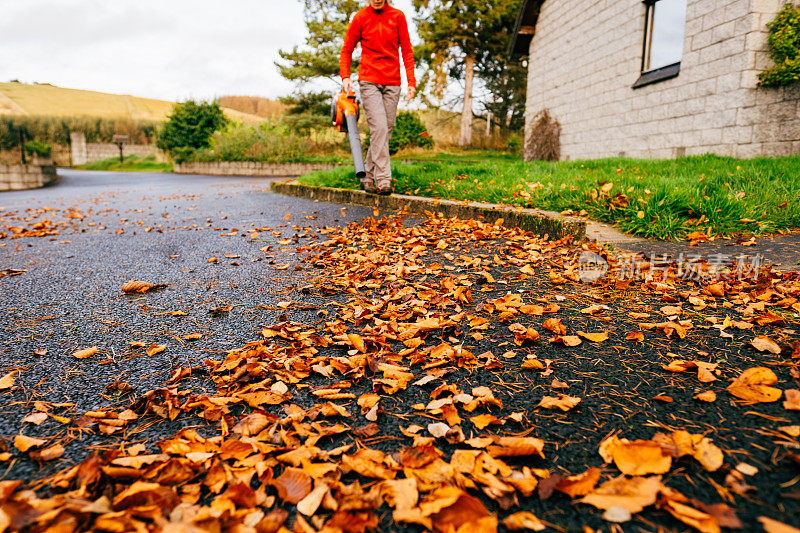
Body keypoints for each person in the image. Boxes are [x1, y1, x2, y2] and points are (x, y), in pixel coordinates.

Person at [340, 0, 416, 195]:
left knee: (385, 130)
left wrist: (411, 82)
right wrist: (345, 76)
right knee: (380, 128)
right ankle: (383, 180)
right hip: (369, 80)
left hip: (393, 82)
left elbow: (407, 50)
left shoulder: (397, 16)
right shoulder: (360, 18)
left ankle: (367, 176)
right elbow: (347, 49)